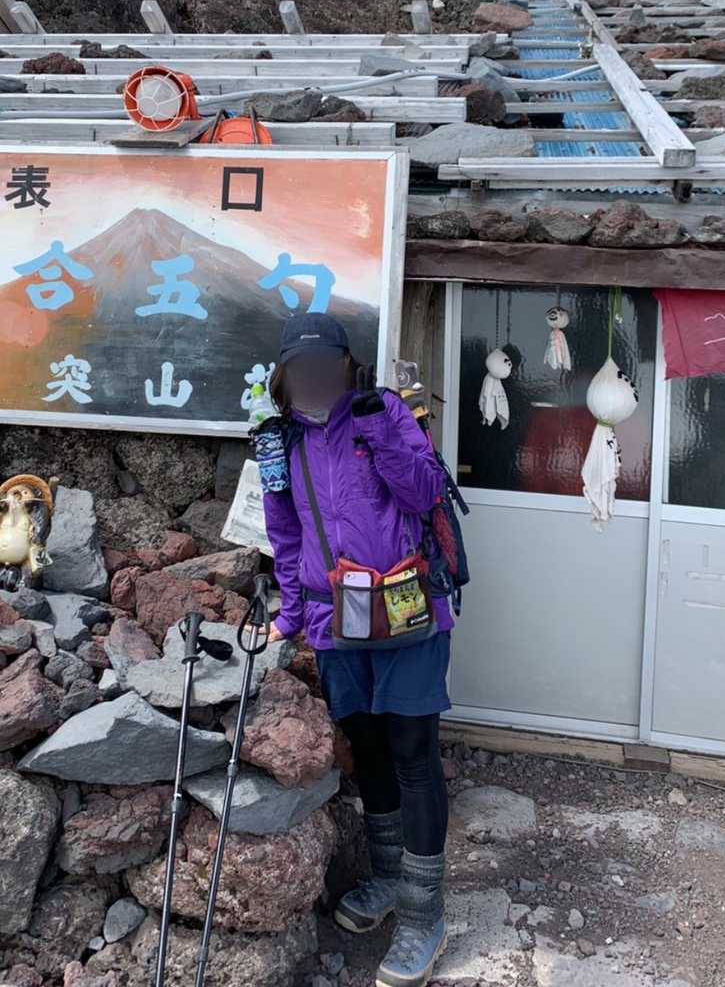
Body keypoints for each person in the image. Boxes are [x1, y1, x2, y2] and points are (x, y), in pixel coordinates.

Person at [258, 312, 453, 987]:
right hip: (333, 616)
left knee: (413, 752)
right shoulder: (279, 442)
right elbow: (284, 535)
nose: (315, 380)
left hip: (406, 606)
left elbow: (424, 492)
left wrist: (379, 428)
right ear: (285, 375)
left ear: (348, 366)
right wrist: (289, 617)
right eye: (301, 369)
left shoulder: (386, 413)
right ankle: (389, 877)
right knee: (367, 747)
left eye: (327, 367)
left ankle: (424, 913)